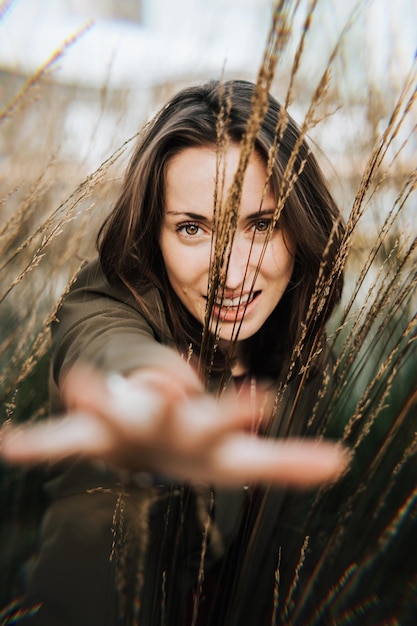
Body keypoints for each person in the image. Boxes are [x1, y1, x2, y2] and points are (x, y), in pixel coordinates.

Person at [1, 80, 346, 625]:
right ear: (152, 235)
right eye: (192, 228)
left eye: (261, 224)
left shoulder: (296, 343)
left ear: (302, 226)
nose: (231, 275)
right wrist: (147, 403)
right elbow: (108, 349)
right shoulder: (106, 300)